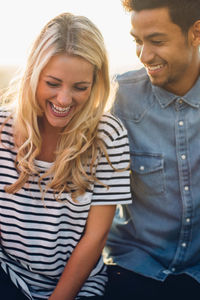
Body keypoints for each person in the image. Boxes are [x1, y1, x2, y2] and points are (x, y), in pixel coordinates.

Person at [0, 12, 132, 300]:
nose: (63, 99)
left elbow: (95, 238)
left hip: (77, 286)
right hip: (8, 275)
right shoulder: (2, 129)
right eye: (53, 83)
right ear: (34, 75)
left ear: (95, 84)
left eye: (80, 88)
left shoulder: (108, 136)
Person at [104, 0, 200, 299]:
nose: (144, 56)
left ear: (196, 33)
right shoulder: (120, 98)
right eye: (137, 41)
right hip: (131, 267)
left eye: (157, 41)